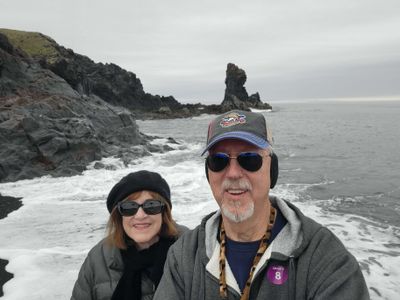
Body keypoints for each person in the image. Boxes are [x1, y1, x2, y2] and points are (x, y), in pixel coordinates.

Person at [153, 110, 370, 300]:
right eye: (219, 160)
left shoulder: (324, 258)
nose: (233, 173)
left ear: (272, 170)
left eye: (249, 159)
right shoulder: (183, 256)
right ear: (208, 173)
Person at [71, 170, 187, 300]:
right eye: (129, 207)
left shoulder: (191, 248)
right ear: (118, 215)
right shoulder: (98, 258)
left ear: (164, 211)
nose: (140, 215)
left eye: (151, 205)